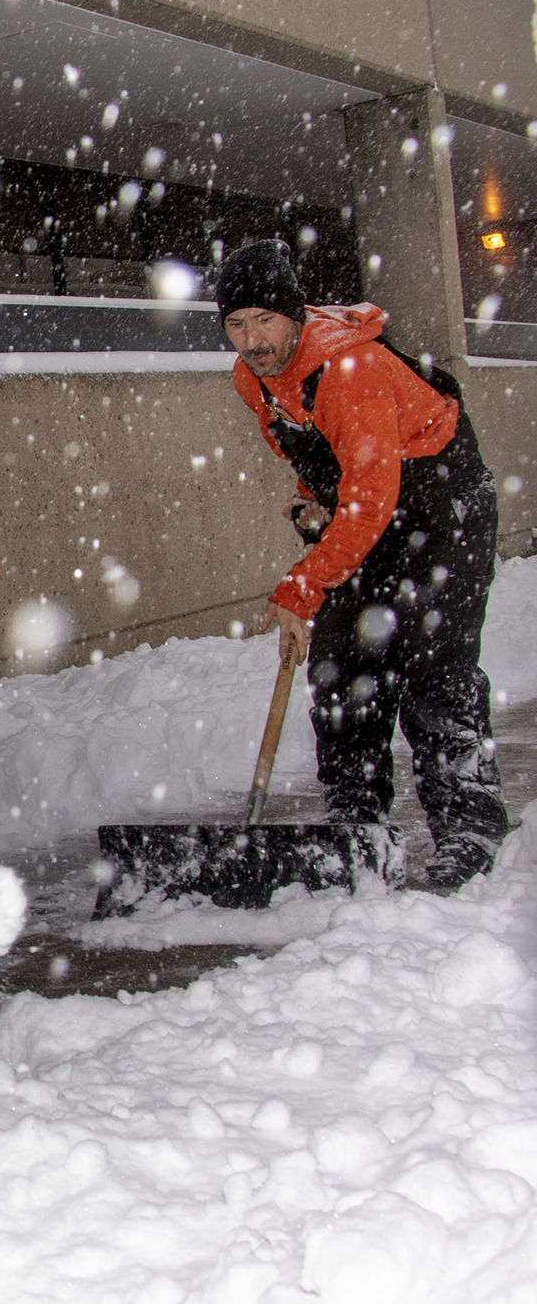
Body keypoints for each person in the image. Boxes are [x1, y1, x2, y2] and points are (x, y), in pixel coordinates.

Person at [217, 239, 507, 888]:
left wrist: (303, 584)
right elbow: (321, 463)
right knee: (344, 663)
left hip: (441, 505)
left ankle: (469, 822)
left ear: (294, 314)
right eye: (236, 324)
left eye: (264, 319)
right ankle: (357, 826)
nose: (252, 338)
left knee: (435, 662)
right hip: (368, 501)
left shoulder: (349, 369)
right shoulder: (252, 379)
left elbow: (373, 501)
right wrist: (314, 506)